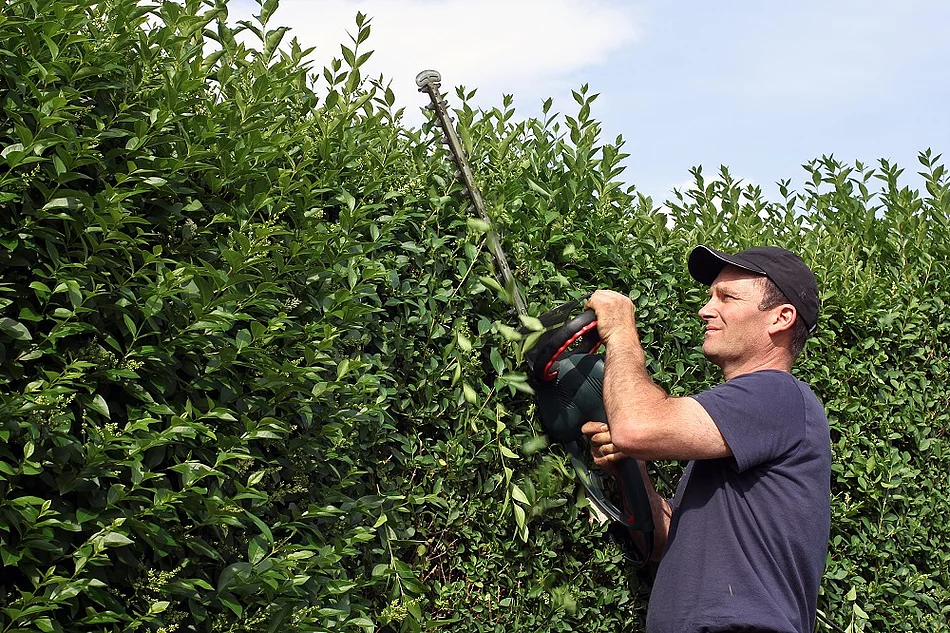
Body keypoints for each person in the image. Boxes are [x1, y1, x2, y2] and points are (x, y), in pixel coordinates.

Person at [581, 245, 831, 633]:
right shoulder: (740, 432)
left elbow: (635, 427)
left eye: (727, 297)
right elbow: (664, 547)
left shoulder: (778, 395)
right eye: (710, 295)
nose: (705, 309)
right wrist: (633, 470)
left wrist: (621, 332)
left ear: (781, 318)